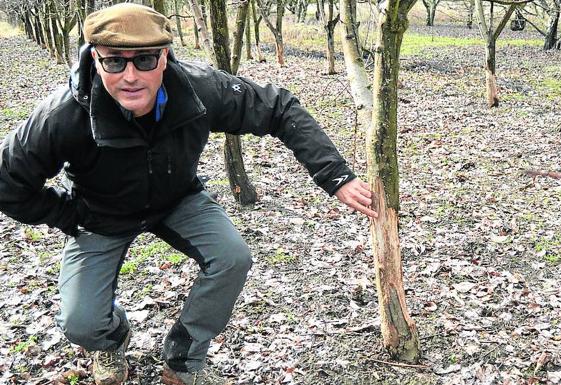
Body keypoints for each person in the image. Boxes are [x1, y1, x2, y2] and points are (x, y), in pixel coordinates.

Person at [0, 3, 377, 385]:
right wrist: (69, 215)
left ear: (164, 57)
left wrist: (335, 176)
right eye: (115, 62)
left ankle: (183, 359)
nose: (130, 76)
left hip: (177, 198)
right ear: (96, 60)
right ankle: (111, 341)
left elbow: (277, 107)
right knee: (80, 322)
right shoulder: (62, 115)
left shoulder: (197, 89)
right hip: (101, 211)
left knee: (232, 259)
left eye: (145, 60)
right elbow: (7, 182)